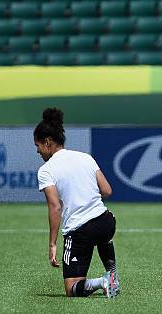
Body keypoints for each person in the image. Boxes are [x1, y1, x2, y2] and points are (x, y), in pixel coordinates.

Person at [34, 107, 120, 298]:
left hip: (81, 231)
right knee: (103, 234)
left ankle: (103, 281)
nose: (38, 151)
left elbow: (55, 207)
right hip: (106, 222)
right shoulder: (85, 157)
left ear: (47, 142)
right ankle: (113, 273)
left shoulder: (46, 170)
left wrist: (52, 244)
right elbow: (107, 190)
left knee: (72, 288)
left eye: (38, 146)